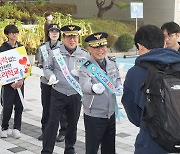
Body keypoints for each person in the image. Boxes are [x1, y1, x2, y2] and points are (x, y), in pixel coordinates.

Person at [121, 25, 180, 154]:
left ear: (140, 46)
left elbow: (132, 112)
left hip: (151, 143)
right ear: (164, 42)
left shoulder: (135, 73)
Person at [41, 25, 89, 154]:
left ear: (78, 38)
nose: (72, 40)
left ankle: (69, 149)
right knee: (52, 123)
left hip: (75, 94)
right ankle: (46, 150)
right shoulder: (55, 51)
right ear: (63, 38)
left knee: (72, 124)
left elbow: (90, 72)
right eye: (69, 37)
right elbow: (47, 67)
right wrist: (49, 75)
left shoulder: (84, 54)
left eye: (74, 37)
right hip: (58, 92)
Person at [79, 32, 122, 154]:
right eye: (96, 47)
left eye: (103, 46)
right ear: (89, 48)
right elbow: (84, 85)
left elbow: (117, 79)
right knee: (92, 148)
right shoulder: (85, 67)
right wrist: (93, 88)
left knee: (109, 148)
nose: (100, 50)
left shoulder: (112, 63)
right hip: (94, 115)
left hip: (110, 113)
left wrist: (119, 86)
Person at [37, 23, 67, 142]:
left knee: (62, 109)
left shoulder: (63, 47)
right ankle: (46, 132)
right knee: (46, 107)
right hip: (46, 82)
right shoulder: (42, 47)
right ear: (48, 33)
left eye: (57, 31)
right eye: (52, 31)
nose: (54, 33)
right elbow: (39, 64)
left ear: (59, 34)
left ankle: (63, 132)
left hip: (60, 83)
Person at [0, 24, 24, 139]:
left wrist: (21, 79)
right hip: (8, 83)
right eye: (12, 33)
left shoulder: (21, 47)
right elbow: (2, 68)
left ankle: (17, 128)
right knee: (7, 106)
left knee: (19, 106)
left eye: (16, 33)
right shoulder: (2, 48)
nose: (14, 35)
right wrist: (10, 82)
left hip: (20, 82)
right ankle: (4, 127)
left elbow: (25, 66)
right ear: (7, 35)